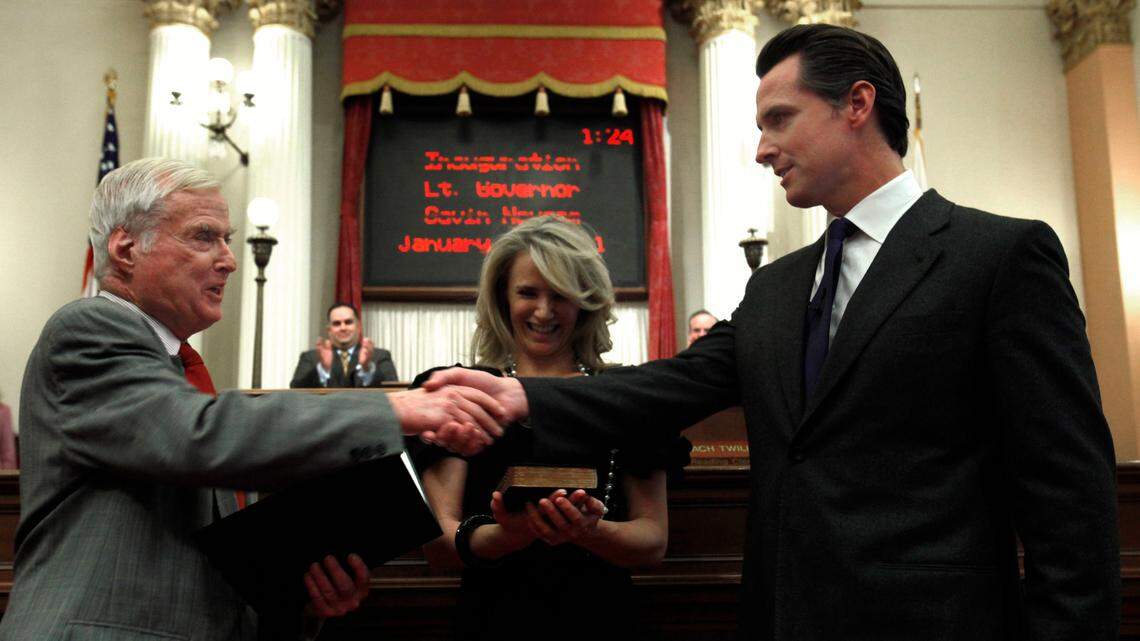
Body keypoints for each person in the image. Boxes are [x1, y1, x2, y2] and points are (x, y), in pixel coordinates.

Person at [426, 24, 1120, 640]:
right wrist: (520, 398)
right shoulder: (778, 286)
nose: (762, 149)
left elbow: (1068, 490)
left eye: (779, 120)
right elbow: (675, 383)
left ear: (857, 104)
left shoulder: (996, 257)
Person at [2, 158, 504, 641]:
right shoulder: (87, 327)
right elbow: (195, 435)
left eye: (228, 239)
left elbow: (213, 556)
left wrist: (301, 594)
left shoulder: (176, 372)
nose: (229, 259)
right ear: (127, 248)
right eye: (204, 236)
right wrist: (394, 408)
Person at [417, 216, 689, 640]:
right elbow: (438, 547)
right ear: (503, 298)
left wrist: (588, 531)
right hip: (492, 618)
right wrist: (513, 535)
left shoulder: (626, 397)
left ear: (585, 302)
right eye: (528, 292)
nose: (544, 311)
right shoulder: (462, 393)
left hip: (603, 617)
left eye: (560, 295)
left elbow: (652, 541)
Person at [290, 302, 398, 388]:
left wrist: (367, 369)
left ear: (358, 327)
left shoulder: (379, 356)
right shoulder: (311, 357)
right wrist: (323, 369)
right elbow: (295, 389)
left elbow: (394, 391)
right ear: (329, 330)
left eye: (348, 322)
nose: (343, 328)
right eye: (337, 323)